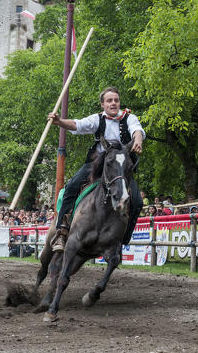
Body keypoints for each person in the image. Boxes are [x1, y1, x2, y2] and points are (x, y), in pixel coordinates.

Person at [48, 87, 145, 251]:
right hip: (98, 163)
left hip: (120, 167)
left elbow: (137, 131)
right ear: (103, 104)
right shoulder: (97, 119)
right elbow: (77, 125)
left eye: (116, 100)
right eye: (109, 100)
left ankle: (124, 237)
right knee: (71, 187)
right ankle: (62, 232)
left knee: (136, 201)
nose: (113, 103)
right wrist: (60, 122)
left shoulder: (129, 117)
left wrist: (138, 141)